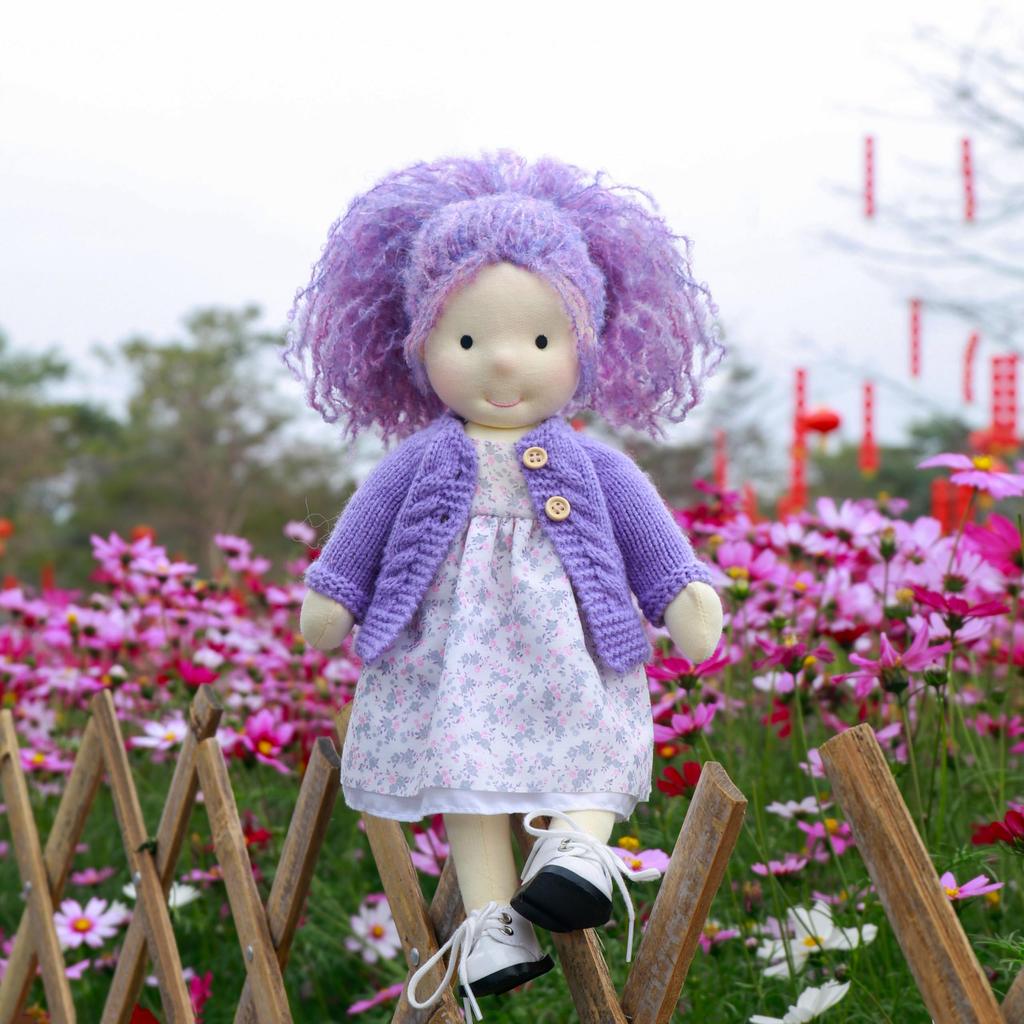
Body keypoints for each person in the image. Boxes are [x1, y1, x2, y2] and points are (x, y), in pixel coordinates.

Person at [283, 150, 725, 1021]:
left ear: (583, 345)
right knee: (464, 764)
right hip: (451, 657)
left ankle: (578, 853)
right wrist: (334, 594)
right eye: (467, 341)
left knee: (597, 733)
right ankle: (491, 925)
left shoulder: (595, 464)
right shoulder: (417, 462)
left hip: (571, 646)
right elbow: (361, 538)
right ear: (420, 347)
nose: (504, 364)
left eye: (541, 341)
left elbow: (649, 540)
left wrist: (683, 594)